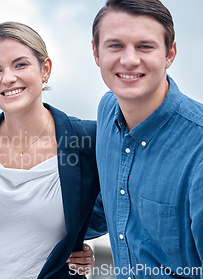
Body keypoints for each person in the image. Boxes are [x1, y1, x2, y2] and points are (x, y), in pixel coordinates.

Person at [0, 21, 102, 279]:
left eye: (20, 64)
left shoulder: (87, 137)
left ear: (45, 69)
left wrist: (75, 241)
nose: (8, 78)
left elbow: (113, 205)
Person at [91, 0, 203, 276]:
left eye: (145, 46)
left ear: (169, 54)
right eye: (115, 45)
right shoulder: (107, 111)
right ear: (96, 52)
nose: (129, 60)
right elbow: (110, 205)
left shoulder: (198, 148)